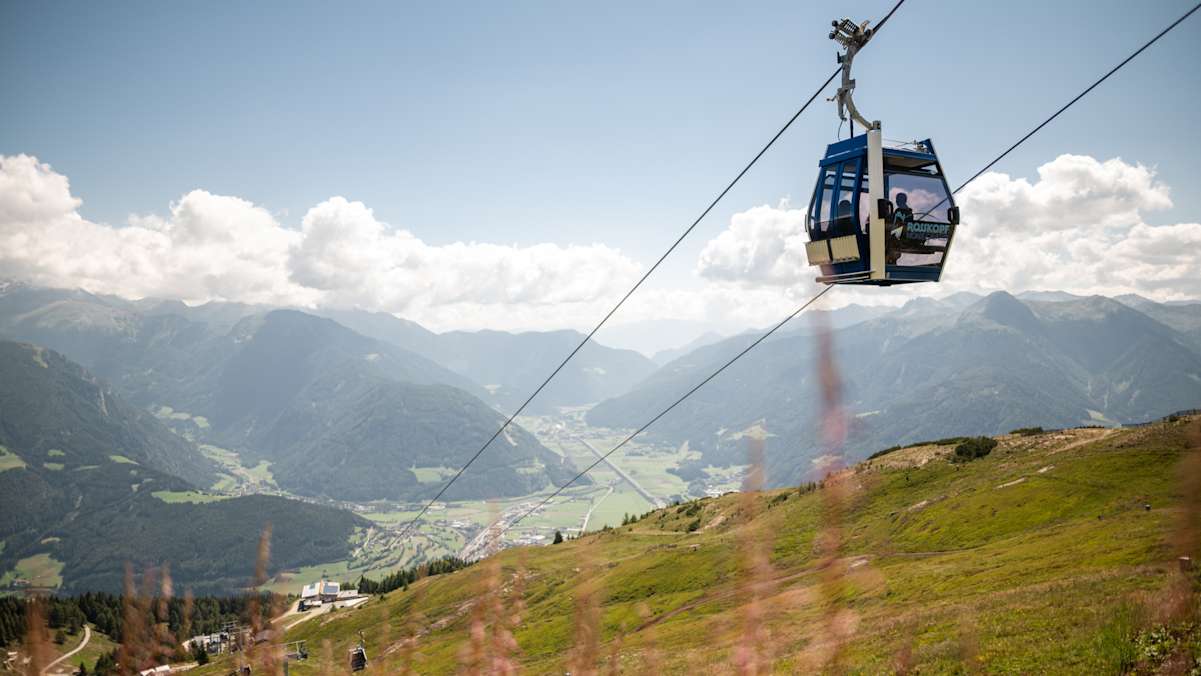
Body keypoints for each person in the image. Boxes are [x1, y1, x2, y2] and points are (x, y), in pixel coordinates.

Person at [887, 192, 914, 263]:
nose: (896, 201)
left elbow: (896, 226)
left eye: (898, 199)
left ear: (902, 200)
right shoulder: (909, 212)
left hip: (898, 238)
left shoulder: (899, 211)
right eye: (896, 199)